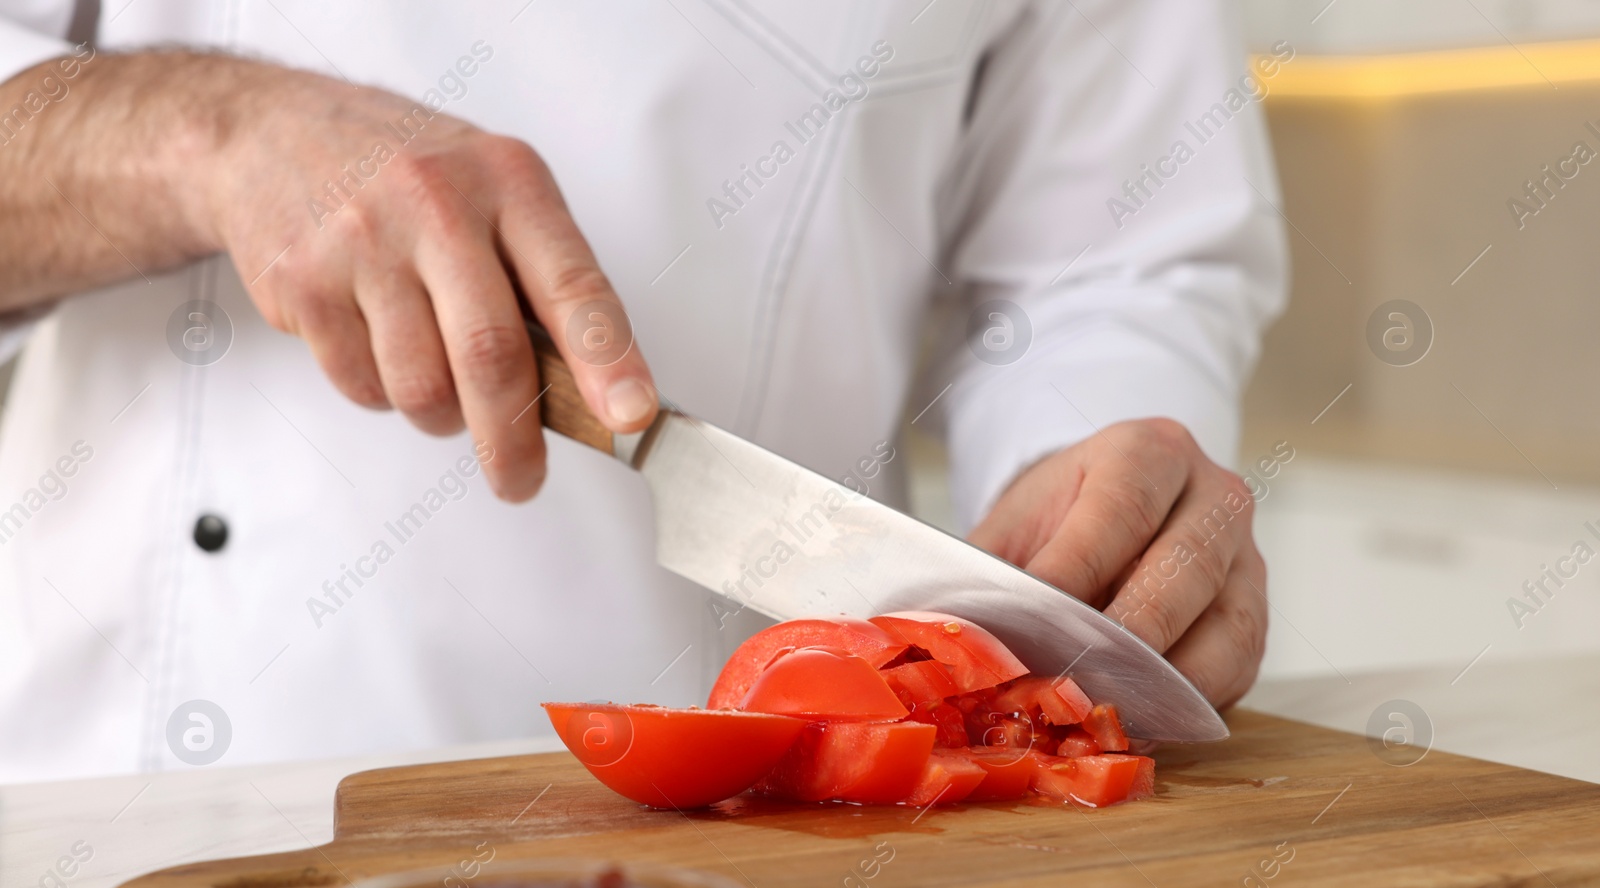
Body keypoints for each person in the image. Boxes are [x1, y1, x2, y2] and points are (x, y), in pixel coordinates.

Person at [0, 0, 1286, 783]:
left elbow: (1120, 257)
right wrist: (203, 138)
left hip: (757, 832)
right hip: (117, 790)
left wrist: (1093, 484)